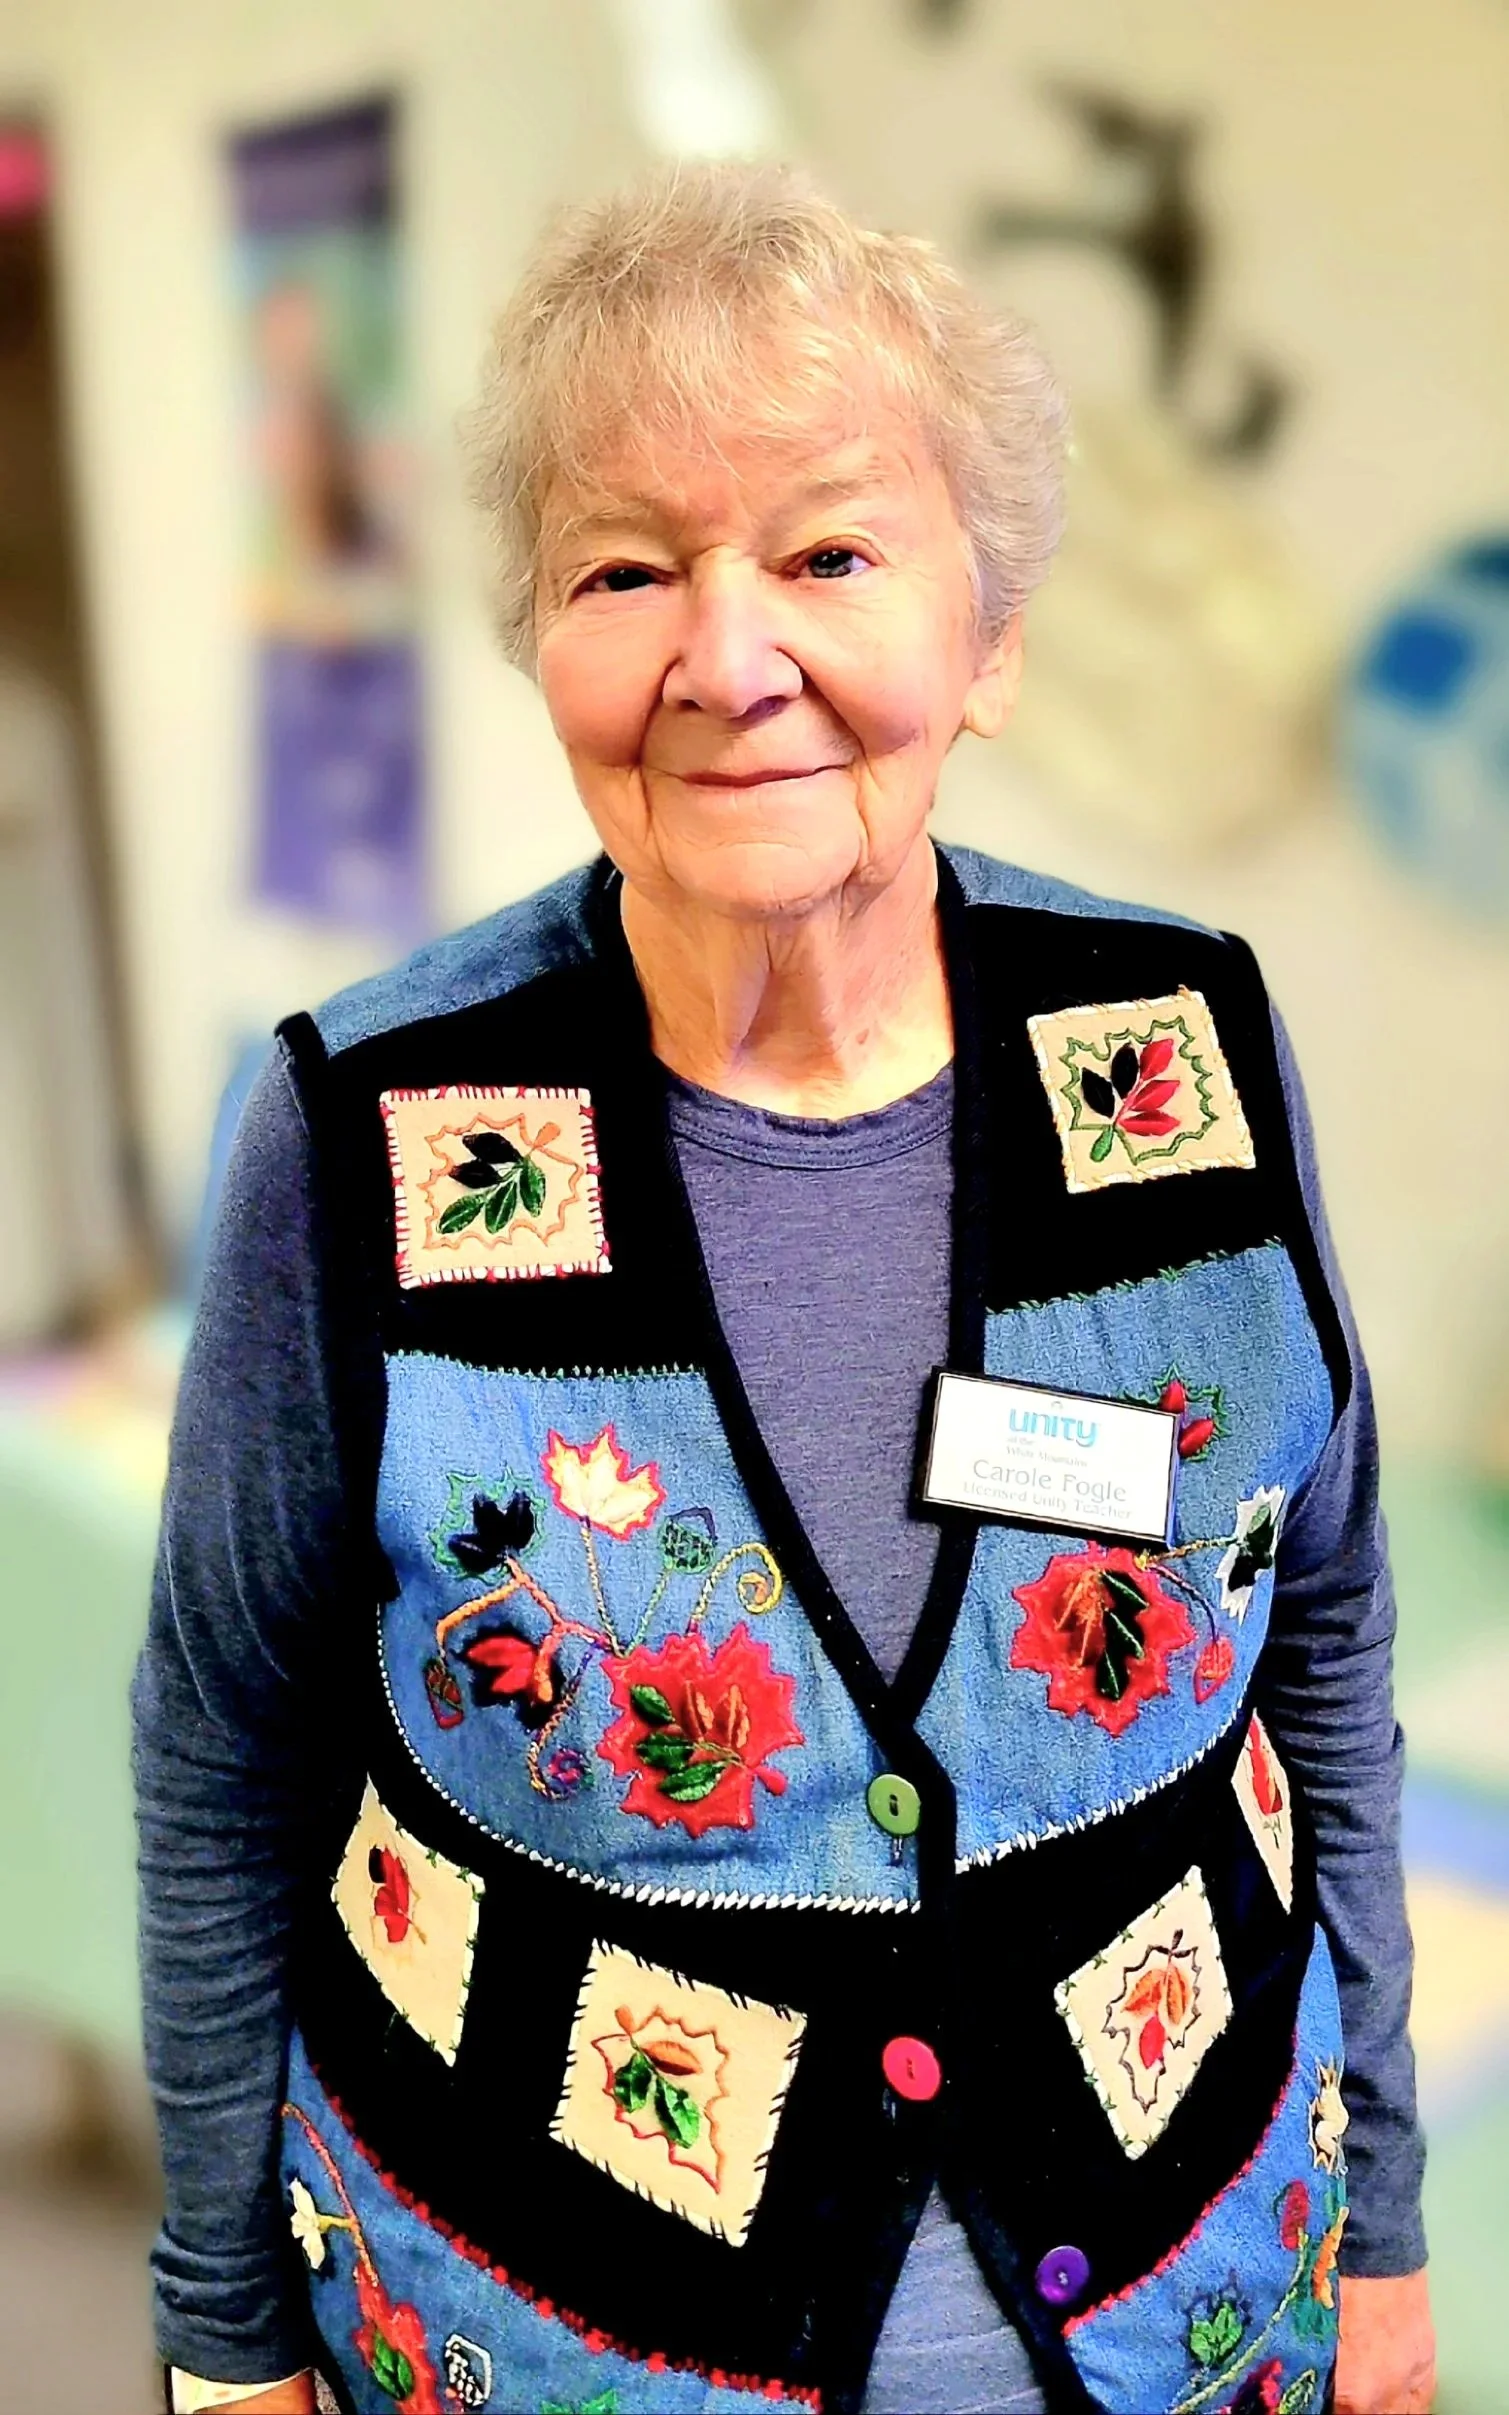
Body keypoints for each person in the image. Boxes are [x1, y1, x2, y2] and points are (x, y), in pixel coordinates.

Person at [136, 162, 1436, 2415]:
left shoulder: (1181, 1056)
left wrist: (1391, 2212)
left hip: (1192, 2299)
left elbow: (1316, 1628)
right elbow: (223, 1738)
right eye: (625, 567)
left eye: (830, 553)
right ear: (539, 640)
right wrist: (221, 2327)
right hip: (533, 2330)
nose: (730, 661)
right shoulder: (359, 1130)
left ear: (989, 634)